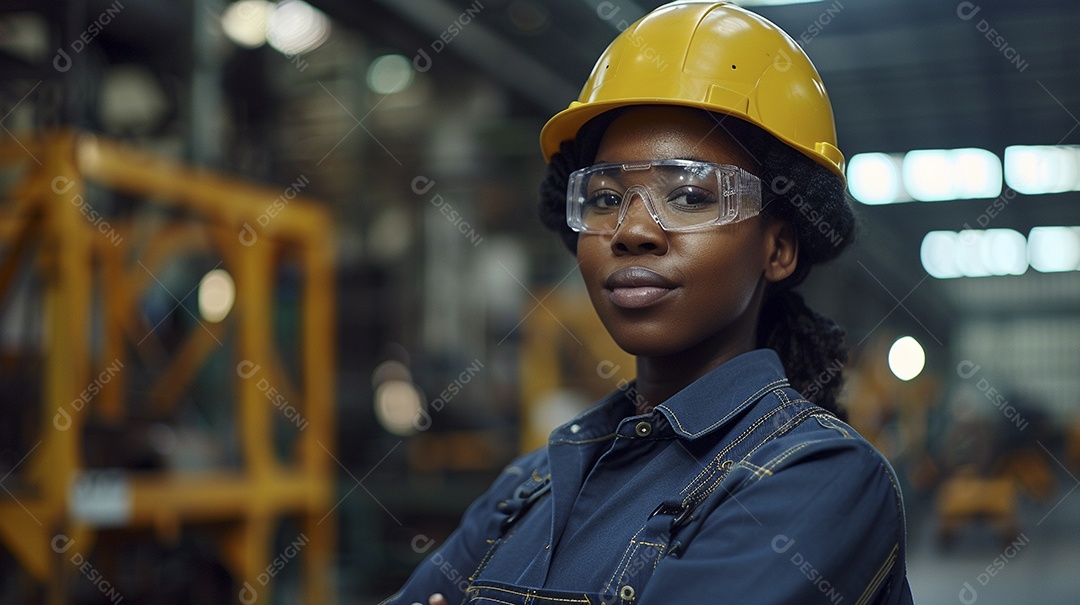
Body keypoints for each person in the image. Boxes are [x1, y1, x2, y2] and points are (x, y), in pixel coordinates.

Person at [383, 2, 914, 603]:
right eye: (605, 198)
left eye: (688, 195)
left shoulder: (822, 479)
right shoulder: (525, 489)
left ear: (779, 248)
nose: (631, 231)